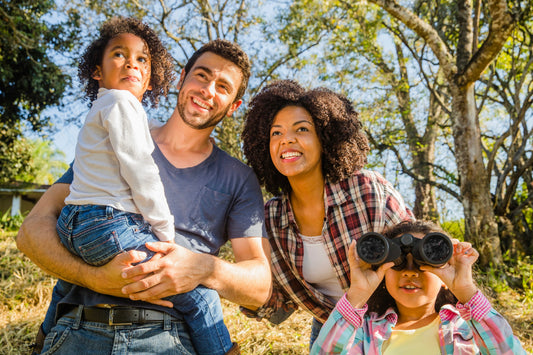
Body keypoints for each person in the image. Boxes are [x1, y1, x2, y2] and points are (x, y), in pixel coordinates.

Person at [16, 37, 271, 355]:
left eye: (223, 86)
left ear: (234, 106)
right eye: (202, 75)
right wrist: (93, 278)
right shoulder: (118, 135)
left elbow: (260, 288)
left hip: (170, 338)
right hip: (79, 330)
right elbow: (30, 232)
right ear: (182, 78)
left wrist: (204, 268)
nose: (207, 90)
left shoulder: (239, 178)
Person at [241, 80, 414, 348]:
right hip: (332, 330)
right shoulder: (271, 219)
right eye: (276, 133)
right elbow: (277, 306)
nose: (287, 139)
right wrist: (216, 275)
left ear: (325, 139)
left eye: (302, 129)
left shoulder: (367, 190)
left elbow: (417, 258)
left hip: (395, 326)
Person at [310, 220, 527, 354]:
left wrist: (466, 290)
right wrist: (358, 293)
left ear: (444, 275)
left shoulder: (468, 330)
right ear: (383, 274)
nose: (410, 272)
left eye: (424, 264)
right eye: (398, 263)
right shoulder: (362, 334)